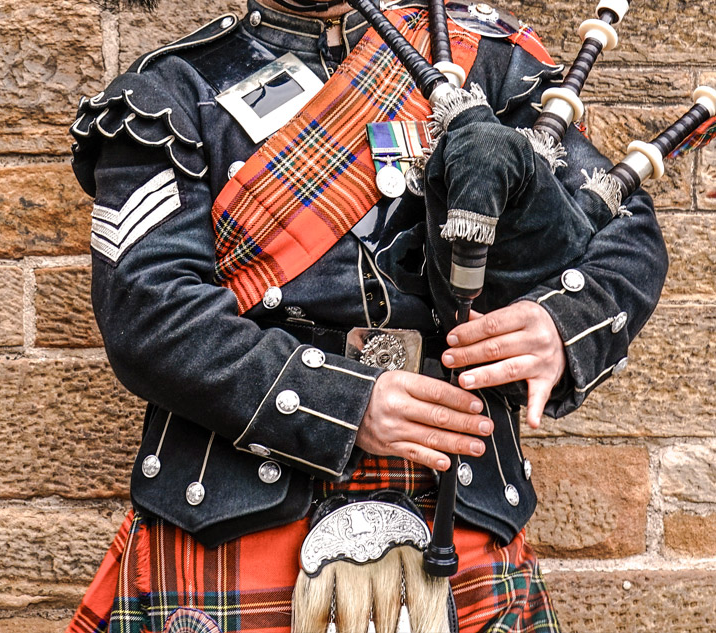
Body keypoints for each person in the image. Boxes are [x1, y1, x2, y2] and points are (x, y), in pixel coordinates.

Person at [66, 0, 667, 631]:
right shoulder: (171, 90)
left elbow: (625, 231)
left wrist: (558, 327)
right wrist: (343, 403)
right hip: (235, 510)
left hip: (454, 503)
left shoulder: (489, 65)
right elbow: (149, 309)